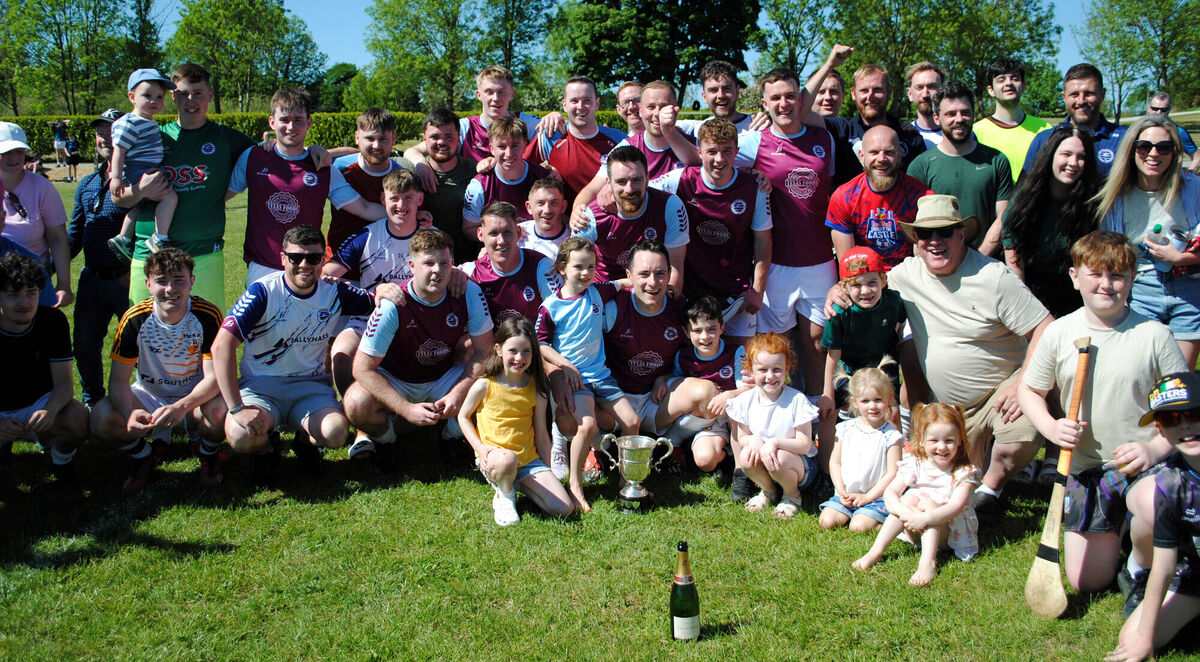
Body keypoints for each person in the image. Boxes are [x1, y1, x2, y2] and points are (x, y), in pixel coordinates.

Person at [829, 194, 1052, 518]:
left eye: (944, 232)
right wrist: (838, 289)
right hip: (947, 409)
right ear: (915, 239)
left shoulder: (994, 277)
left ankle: (991, 490)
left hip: (999, 393)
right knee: (947, 481)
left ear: (961, 234)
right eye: (925, 234)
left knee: (1023, 427)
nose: (934, 241)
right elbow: (867, 282)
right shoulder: (906, 275)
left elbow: (1046, 328)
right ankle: (971, 478)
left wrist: (1024, 385)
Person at [1017, 230, 1187, 596]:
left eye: (1118, 275)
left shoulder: (1154, 334)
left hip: (1145, 465)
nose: (1106, 284)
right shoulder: (1060, 332)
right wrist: (1050, 426)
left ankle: (1139, 561)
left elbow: (1184, 410)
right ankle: (1125, 531)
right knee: (1087, 582)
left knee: (1153, 507)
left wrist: (1154, 450)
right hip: (1084, 468)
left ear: (1132, 280)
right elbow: (1029, 390)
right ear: (1075, 278)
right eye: (1095, 274)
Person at [213, 225, 402, 484]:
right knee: (240, 435)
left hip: (309, 387)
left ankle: (305, 442)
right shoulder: (263, 291)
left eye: (313, 258)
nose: (304, 265)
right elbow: (221, 346)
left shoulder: (334, 291)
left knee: (336, 433)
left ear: (323, 260)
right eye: (295, 258)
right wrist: (236, 408)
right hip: (261, 387)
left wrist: (384, 291)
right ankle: (267, 449)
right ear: (282, 259)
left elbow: (374, 299)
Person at [343, 228, 494, 467]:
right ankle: (389, 441)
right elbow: (361, 368)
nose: (437, 270)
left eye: (444, 263)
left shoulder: (467, 291)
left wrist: (458, 392)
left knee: (495, 378)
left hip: (444, 376)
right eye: (428, 263)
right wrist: (405, 409)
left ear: (452, 265)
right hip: (398, 379)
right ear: (412, 266)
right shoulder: (393, 304)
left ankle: (453, 436)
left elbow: (485, 350)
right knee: (355, 402)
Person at [734, 66, 834, 413]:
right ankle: (773, 417)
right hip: (777, 265)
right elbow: (708, 160)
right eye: (775, 98)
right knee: (774, 348)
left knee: (816, 344)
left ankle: (816, 417)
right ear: (765, 104)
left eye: (790, 96)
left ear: (801, 99)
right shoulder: (753, 142)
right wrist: (750, 176)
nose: (784, 103)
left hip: (821, 261)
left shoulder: (824, 139)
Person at [89, 249, 227, 491]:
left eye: (178, 280)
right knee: (101, 418)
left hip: (193, 399)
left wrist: (182, 406)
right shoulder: (134, 318)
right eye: (161, 281)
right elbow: (119, 381)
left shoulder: (208, 314)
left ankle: (208, 453)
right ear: (148, 284)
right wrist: (129, 413)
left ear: (192, 281)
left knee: (220, 411)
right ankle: (143, 455)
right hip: (150, 397)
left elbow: (214, 378)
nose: (170, 289)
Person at [121, 63, 257, 309]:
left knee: (205, 336)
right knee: (143, 335)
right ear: (173, 96)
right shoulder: (154, 137)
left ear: (210, 96)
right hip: (150, 255)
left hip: (204, 254)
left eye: (198, 93)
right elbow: (119, 198)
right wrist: (141, 190)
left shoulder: (227, 138)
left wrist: (318, 151)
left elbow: (278, 155)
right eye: (183, 93)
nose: (190, 100)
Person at [535, 237, 639, 512]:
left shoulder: (598, 292)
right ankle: (575, 486)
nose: (585, 273)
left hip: (601, 376)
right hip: (575, 378)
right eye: (578, 267)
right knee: (588, 425)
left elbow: (621, 283)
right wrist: (565, 366)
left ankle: (627, 481)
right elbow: (541, 343)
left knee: (632, 420)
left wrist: (644, 284)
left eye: (591, 267)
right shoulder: (550, 306)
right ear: (561, 269)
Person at [1106, 372, 1200, 662]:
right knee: (1130, 639)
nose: (1184, 424)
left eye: (1193, 413)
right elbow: (1164, 565)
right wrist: (1144, 640)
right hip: (1194, 573)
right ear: (1160, 430)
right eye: (1171, 419)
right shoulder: (1171, 485)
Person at [651, 118, 771, 342]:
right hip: (691, 295)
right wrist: (605, 192)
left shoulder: (754, 187)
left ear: (737, 150)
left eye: (727, 151)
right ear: (699, 151)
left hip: (738, 296)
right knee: (695, 363)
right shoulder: (681, 180)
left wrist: (758, 289)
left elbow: (763, 241)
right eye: (712, 151)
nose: (719, 159)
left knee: (741, 365)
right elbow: (638, 186)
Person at [1097, 115, 1200, 366]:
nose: (1153, 154)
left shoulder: (1193, 187)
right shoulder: (1116, 197)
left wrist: (1180, 258)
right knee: (1141, 373)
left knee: (1177, 382)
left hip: (1188, 288)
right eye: (1145, 147)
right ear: (1132, 149)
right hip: (1140, 289)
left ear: (1174, 153)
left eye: (1163, 148)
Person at [457, 317, 574, 526]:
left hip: (528, 461)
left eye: (526, 351)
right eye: (513, 350)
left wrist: (547, 471)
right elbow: (463, 417)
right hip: (496, 458)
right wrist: (481, 449)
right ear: (499, 349)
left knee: (564, 509)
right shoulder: (484, 385)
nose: (519, 358)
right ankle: (505, 493)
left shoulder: (536, 389)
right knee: (507, 460)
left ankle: (517, 482)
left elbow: (541, 433)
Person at [852, 402, 981, 586]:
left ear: (960, 440)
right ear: (921, 440)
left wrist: (925, 517)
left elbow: (955, 507)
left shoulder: (963, 472)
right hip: (914, 525)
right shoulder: (916, 463)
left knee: (927, 502)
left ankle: (927, 562)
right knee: (908, 497)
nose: (942, 447)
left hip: (949, 535)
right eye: (934, 441)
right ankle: (875, 552)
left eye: (949, 441)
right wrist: (905, 512)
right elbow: (891, 492)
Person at [323, 168, 424, 397]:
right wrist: (331, 279)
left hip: (417, 317)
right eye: (394, 198)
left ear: (420, 199)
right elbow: (330, 271)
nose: (401, 205)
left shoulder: (431, 237)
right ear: (382, 199)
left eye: (408, 198)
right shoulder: (367, 235)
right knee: (341, 353)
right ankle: (353, 409)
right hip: (370, 316)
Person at [0, 252, 89, 486]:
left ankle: (61, 462)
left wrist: (50, 410)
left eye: (31, 293)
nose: (24, 303)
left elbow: (64, 385)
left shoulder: (52, 320)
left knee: (78, 417)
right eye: (13, 295)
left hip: (37, 404)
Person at [226, 87, 331, 285]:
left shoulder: (322, 164)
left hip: (305, 265)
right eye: (284, 120)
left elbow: (361, 205)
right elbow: (221, 195)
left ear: (308, 123)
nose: (291, 126)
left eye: (298, 120)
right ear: (272, 122)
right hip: (261, 267)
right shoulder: (252, 156)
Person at [68, 109, 132, 407]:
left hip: (128, 280)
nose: (104, 137)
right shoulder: (87, 183)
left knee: (140, 347)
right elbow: (74, 234)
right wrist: (46, 267)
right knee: (84, 346)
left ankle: (143, 402)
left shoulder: (138, 179)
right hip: (91, 280)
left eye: (112, 130)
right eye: (100, 131)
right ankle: (93, 403)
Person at [1001, 126, 1100, 317]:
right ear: (1051, 155)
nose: (1073, 163)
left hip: (1076, 291)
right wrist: (1027, 308)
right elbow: (1014, 261)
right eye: (1066, 154)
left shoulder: (1092, 201)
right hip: (1030, 289)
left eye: (1081, 157)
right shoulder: (1025, 199)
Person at [906, 81, 1013, 255]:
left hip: (986, 262)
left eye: (965, 112)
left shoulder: (996, 161)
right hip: (938, 263)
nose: (959, 119)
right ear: (936, 118)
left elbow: (1003, 218)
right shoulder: (920, 166)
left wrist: (978, 258)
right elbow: (916, 228)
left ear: (973, 114)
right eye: (950, 114)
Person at [570, 80, 700, 216]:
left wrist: (669, 131)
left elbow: (704, 163)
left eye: (664, 106)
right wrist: (577, 212)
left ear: (675, 109)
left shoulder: (695, 142)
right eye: (651, 107)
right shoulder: (627, 147)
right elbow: (592, 189)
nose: (657, 114)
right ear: (641, 110)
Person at [728, 331, 820, 519]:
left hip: (797, 464)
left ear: (787, 369)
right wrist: (752, 440)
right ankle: (768, 491)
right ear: (751, 370)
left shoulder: (796, 400)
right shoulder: (745, 400)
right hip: (766, 461)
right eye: (762, 370)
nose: (770, 376)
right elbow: (741, 437)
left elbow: (804, 444)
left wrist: (775, 443)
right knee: (746, 456)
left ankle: (791, 495)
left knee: (780, 458)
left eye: (776, 369)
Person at [573, 146, 689, 291]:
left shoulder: (670, 206)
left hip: (653, 290)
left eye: (636, 180)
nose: (629, 189)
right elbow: (575, 279)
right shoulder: (590, 217)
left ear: (647, 179)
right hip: (607, 293)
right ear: (608, 183)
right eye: (621, 181)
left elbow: (675, 272)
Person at [810, 46, 927, 188]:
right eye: (864, 90)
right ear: (853, 94)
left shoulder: (909, 136)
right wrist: (830, 64)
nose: (870, 97)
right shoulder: (841, 129)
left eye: (877, 90)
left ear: (889, 91)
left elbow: (921, 188)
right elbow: (801, 112)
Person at [818, 246, 904, 428]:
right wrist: (827, 394)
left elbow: (900, 325)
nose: (865, 291)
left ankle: (894, 451)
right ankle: (825, 456)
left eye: (872, 282)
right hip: (848, 368)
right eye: (856, 285)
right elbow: (833, 356)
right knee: (828, 413)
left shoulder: (893, 301)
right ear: (844, 287)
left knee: (893, 411)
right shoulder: (839, 313)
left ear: (883, 280)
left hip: (882, 364)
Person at [826, 124, 931, 268]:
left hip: (906, 277)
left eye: (888, 152)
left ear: (899, 155)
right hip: (864, 278)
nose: (881, 159)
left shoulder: (920, 196)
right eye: (874, 152)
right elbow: (848, 265)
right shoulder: (844, 197)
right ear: (862, 157)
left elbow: (921, 261)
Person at [107, 68, 179, 262]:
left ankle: (123, 237)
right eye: (147, 95)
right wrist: (115, 178)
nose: (154, 101)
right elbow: (119, 151)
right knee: (170, 197)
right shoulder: (130, 122)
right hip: (138, 170)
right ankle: (159, 238)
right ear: (131, 97)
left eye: (159, 97)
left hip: (145, 169)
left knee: (140, 205)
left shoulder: (148, 121)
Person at [326, 108, 413, 267]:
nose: (376, 145)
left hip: (383, 269)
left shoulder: (403, 177)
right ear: (357, 137)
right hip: (338, 264)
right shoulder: (338, 168)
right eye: (370, 138)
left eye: (383, 139)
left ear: (393, 139)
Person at [672, 296, 749, 477]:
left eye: (711, 329)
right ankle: (723, 455)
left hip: (733, 419)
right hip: (705, 421)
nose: (705, 337)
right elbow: (676, 388)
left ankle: (737, 455)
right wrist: (662, 380)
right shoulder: (682, 356)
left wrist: (729, 394)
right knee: (705, 462)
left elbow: (748, 388)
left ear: (722, 327)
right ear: (686, 332)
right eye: (697, 331)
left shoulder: (736, 352)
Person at [818, 367, 902, 532]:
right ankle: (853, 511)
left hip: (876, 496)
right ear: (855, 402)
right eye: (865, 401)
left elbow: (892, 473)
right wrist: (841, 490)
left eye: (878, 400)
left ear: (889, 398)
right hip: (847, 494)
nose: (873, 406)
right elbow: (835, 462)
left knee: (858, 527)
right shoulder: (845, 429)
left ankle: (884, 522)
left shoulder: (891, 435)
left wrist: (868, 497)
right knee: (826, 521)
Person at [0, 122, 72, 308]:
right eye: (6, 152)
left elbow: (57, 238)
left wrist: (64, 285)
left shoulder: (42, 187)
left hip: (33, 282)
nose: (14, 158)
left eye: (19, 151)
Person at [524, 76, 625, 200]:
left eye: (587, 100)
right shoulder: (550, 136)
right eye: (574, 101)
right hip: (565, 219)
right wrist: (542, 176)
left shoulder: (619, 140)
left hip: (608, 218)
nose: (580, 106)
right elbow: (518, 168)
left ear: (597, 103)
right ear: (564, 105)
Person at [461, 202, 559, 324]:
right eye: (493, 233)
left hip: (535, 342)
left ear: (518, 233)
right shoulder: (471, 272)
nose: (501, 241)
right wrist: (453, 273)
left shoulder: (542, 267)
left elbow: (561, 317)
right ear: (480, 234)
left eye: (507, 232)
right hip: (490, 342)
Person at [1023, 64, 1127, 177]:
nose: (1081, 101)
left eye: (1089, 94)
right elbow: (1027, 188)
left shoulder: (1124, 139)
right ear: (1064, 97)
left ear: (1102, 94)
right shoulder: (1044, 140)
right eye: (1074, 94)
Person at [411, 109, 481, 264]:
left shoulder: (475, 172)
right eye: (434, 137)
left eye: (449, 137)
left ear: (459, 139)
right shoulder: (411, 173)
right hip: (422, 263)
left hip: (467, 263)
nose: (441, 142)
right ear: (424, 139)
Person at [463, 117, 552, 232]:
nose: (508, 154)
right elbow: (469, 229)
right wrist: (505, 238)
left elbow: (557, 221)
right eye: (501, 146)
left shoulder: (543, 177)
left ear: (525, 146)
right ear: (492, 148)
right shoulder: (479, 186)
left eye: (515, 146)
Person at [973, 57, 1053, 182]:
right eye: (1001, 80)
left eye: (1015, 78)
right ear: (991, 90)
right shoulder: (976, 132)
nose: (1008, 83)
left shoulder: (1046, 129)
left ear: (1024, 86)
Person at [676, 60, 755, 137]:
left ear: (737, 91)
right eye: (713, 90)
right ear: (704, 97)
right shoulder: (695, 130)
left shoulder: (757, 126)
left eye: (726, 88)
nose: (720, 95)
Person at [1146, 91, 1200, 175]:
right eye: (1155, 109)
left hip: (1169, 182)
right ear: (1149, 108)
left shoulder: (1179, 132)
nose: (1159, 113)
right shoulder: (1138, 130)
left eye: (1164, 110)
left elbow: (1197, 157)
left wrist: (1189, 176)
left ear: (1169, 110)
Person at [519, 177, 569, 260]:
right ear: (529, 207)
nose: (547, 210)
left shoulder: (574, 238)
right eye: (540, 203)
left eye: (553, 203)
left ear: (563, 206)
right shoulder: (517, 234)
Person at [905, 62, 945, 148]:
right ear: (910, 94)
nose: (925, 94)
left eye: (932, 87)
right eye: (919, 88)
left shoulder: (960, 136)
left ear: (943, 91)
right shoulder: (903, 138)